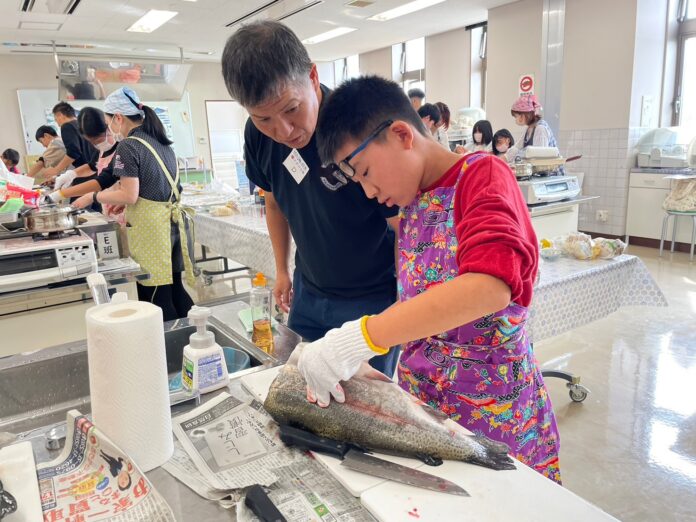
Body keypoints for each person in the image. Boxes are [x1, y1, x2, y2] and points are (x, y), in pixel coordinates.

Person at [299, 75, 562, 484]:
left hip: (492, 410)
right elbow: (422, 302)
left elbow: (489, 286)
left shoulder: (483, 177)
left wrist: (360, 337)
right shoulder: (415, 206)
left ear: (402, 134)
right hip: (425, 407)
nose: (368, 192)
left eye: (366, 172)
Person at [221, 21, 400, 377]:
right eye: (263, 118)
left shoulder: (356, 130)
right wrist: (282, 270)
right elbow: (273, 202)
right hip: (309, 290)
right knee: (298, 385)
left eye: (291, 109)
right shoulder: (259, 137)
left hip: (369, 299)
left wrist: (402, 302)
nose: (283, 131)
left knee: (360, 409)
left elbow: (401, 223)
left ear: (313, 76)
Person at [88, 87, 195, 321]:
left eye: (109, 123)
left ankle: (167, 351)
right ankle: (193, 340)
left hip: (152, 231)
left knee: (157, 297)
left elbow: (129, 194)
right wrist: (124, 202)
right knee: (176, 289)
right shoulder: (161, 143)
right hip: (171, 225)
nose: (110, 129)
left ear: (118, 117)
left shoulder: (129, 145)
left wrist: (95, 197)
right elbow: (153, 186)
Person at [47, 107, 119, 211]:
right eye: (92, 142)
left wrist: (62, 194)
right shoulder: (101, 149)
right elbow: (92, 166)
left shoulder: (123, 148)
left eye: (98, 140)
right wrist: (70, 174)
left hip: (123, 205)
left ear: (108, 128)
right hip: (110, 205)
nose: (97, 144)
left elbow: (103, 181)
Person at [41, 102, 98, 187]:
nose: (57, 123)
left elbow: (74, 152)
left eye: (56, 119)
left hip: (83, 172)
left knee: (79, 199)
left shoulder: (67, 126)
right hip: (93, 170)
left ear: (60, 114)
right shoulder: (82, 125)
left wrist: (56, 170)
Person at [511, 94, 564, 174]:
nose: (516, 119)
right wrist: (503, 158)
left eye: (516, 116)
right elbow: (516, 148)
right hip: (539, 175)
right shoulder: (528, 129)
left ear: (523, 115)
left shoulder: (540, 129)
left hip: (551, 177)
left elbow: (539, 161)